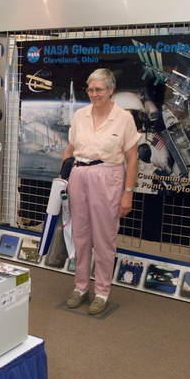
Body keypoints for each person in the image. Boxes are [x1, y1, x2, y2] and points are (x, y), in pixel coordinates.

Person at [60, 68, 140, 316]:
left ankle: (102, 291)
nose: (94, 94)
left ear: (111, 89)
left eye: (99, 90)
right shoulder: (80, 115)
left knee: (104, 238)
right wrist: (62, 178)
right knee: (80, 235)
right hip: (78, 176)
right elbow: (70, 149)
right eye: (91, 89)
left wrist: (128, 193)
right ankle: (81, 287)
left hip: (107, 177)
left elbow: (132, 159)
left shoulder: (124, 118)